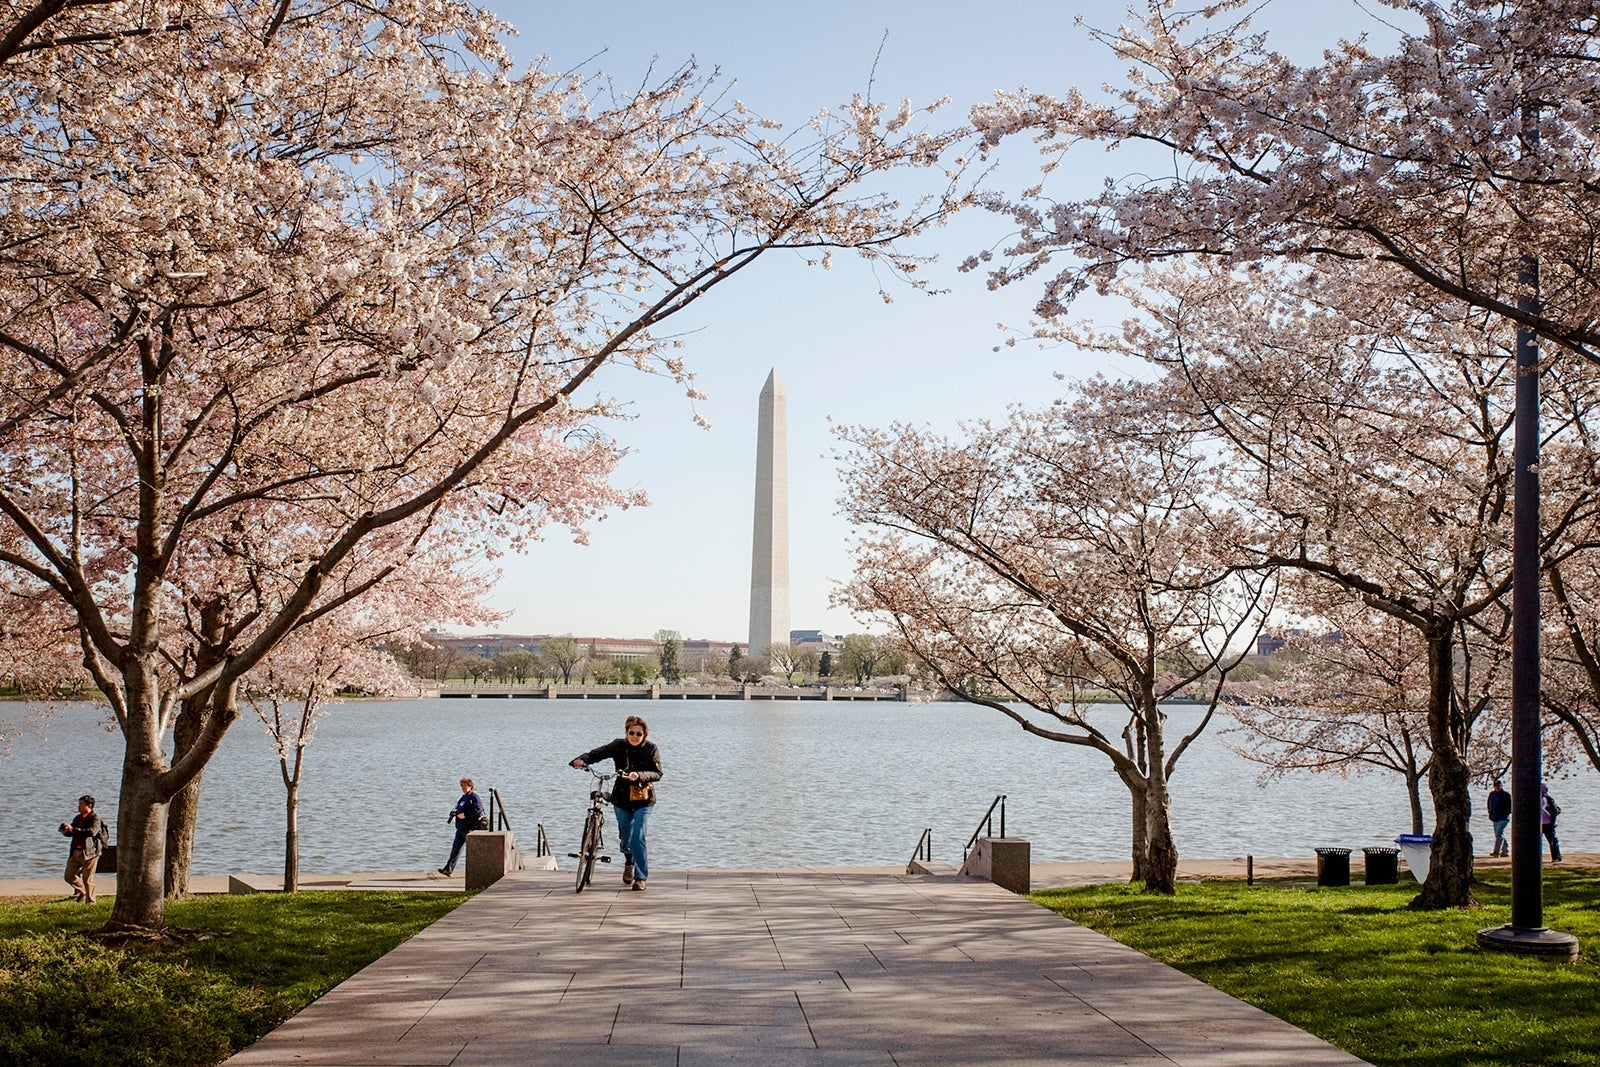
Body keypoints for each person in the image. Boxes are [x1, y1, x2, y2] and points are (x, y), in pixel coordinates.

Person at [570, 715, 662, 891]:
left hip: (643, 800)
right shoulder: (618, 745)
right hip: (621, 799)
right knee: (625, 838)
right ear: (626, 732)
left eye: (639, 734)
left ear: (644, 735)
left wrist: (640, 776)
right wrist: (581, 760)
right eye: (631, 732)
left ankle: (641, 877)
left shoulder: (651, 749)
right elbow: (597, 754)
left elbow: (657, 773)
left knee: (638, 836)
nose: (635, 736)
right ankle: (629, 861)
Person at [58, 794, 106, 903]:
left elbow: (91, 832)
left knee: (88, 879)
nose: (78, 806)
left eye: (81, 804)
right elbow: (73, 832)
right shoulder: (78, 818)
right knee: (69, 876)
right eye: (78, 804)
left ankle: (91, 901)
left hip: (90, 853)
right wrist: (67, 831)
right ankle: (81, 891)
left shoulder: (95, 818)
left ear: (89, 805)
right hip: (75, 852)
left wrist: (73, 829)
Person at [438, 778, 484, 877]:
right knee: (455, 849)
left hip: (470, 828)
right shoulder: (463, 797)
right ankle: (448, 869)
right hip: (460, 828)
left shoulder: (474, 797)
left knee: (474, 851)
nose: (463, 788)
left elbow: (478, 810)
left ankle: (479, 871)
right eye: (462, 786)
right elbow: (457, 807)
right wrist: (453, 812)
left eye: (465, 785)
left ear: (470, 786)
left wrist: (465, 815)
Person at [1486, 779, 1511, 857]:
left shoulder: (1506, 795)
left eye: (1499, 785)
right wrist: (1490, 812)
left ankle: (1496, 851)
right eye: (1496, 785)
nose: (1497, 787)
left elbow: (1511, 806)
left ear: (1501, 786)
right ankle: (1505, 851)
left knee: (1499, 835)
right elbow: (1489, 804)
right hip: (1494, 817)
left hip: (1503, 818)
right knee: (1499, 835)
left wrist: (1506, 813)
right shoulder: (1492, 794)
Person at [1540, 782, 1563, 863]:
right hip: (1542, 824)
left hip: (1547, 824)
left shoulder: (1547, 799)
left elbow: (1556, 810)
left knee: (1552, 840)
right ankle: (1555, 857)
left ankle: (1556, 857)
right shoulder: (1543, 799)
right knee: (1551, 841)